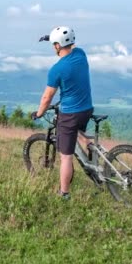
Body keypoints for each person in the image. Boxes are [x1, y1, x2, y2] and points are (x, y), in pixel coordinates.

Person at [33, 26, 93, 200]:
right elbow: (71, 48)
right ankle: (93, 155)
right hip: (87, 108)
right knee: (80, 131)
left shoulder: (57, 69)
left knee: (66, 157)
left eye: (53, 44)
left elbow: (47, 98)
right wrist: (50, 37)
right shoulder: (81, 55)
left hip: (70, 113)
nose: (53, 47)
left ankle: (64, 193)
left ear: (58, 46)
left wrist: (38, 113)